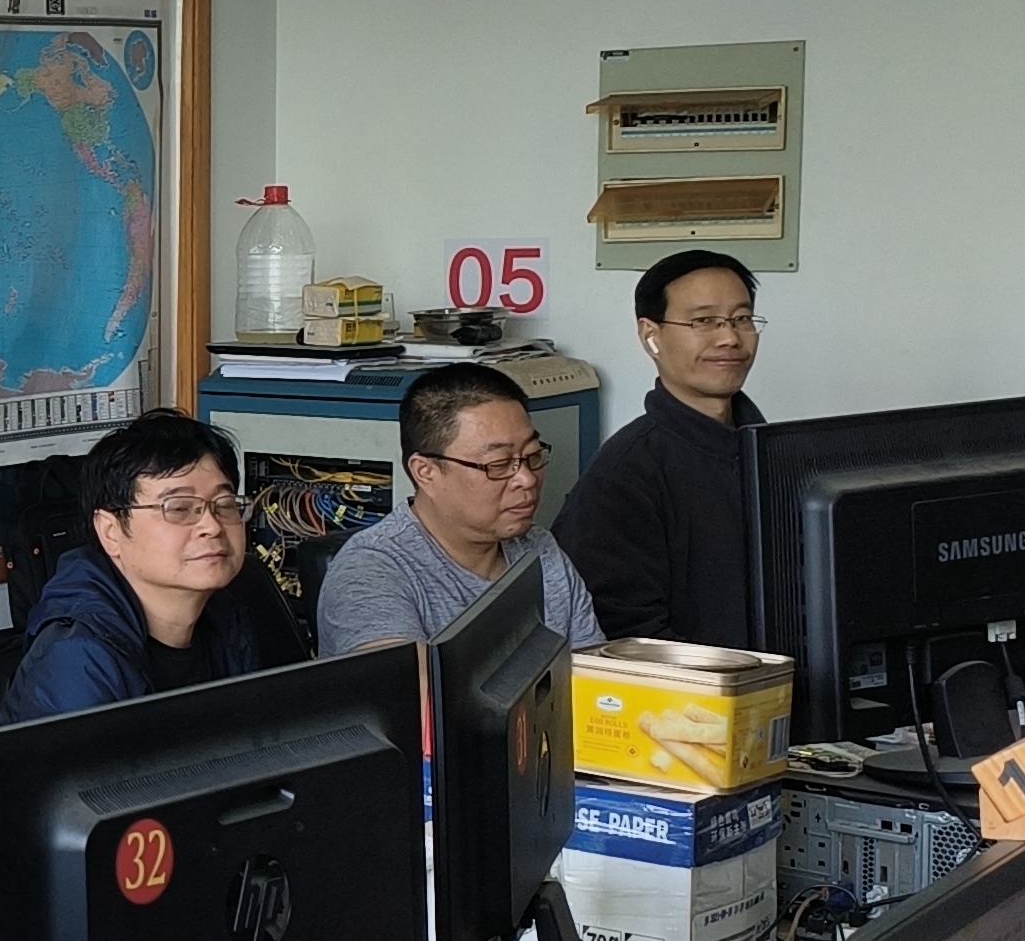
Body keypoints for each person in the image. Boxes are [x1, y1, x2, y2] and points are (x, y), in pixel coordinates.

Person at [2, 411, 306, 722]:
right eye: (179, 508)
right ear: (110, 531)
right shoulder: (77, 660)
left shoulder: (234, 609)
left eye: (225, 505)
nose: (212, 526)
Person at [553, 248, 768, 647]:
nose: (730, 338)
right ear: (651, 335)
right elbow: (624, 635)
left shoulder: (771, 451)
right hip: (701, 685)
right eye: (704, 321)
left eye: (741, 319)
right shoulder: (624, 474)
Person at [315, 364, 607, 655]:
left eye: (532, 455)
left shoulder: (539, 549)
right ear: (426, 472)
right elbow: (407, 684)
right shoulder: (370, 572)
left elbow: (596, 675)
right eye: (498, 464)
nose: (527, 479)